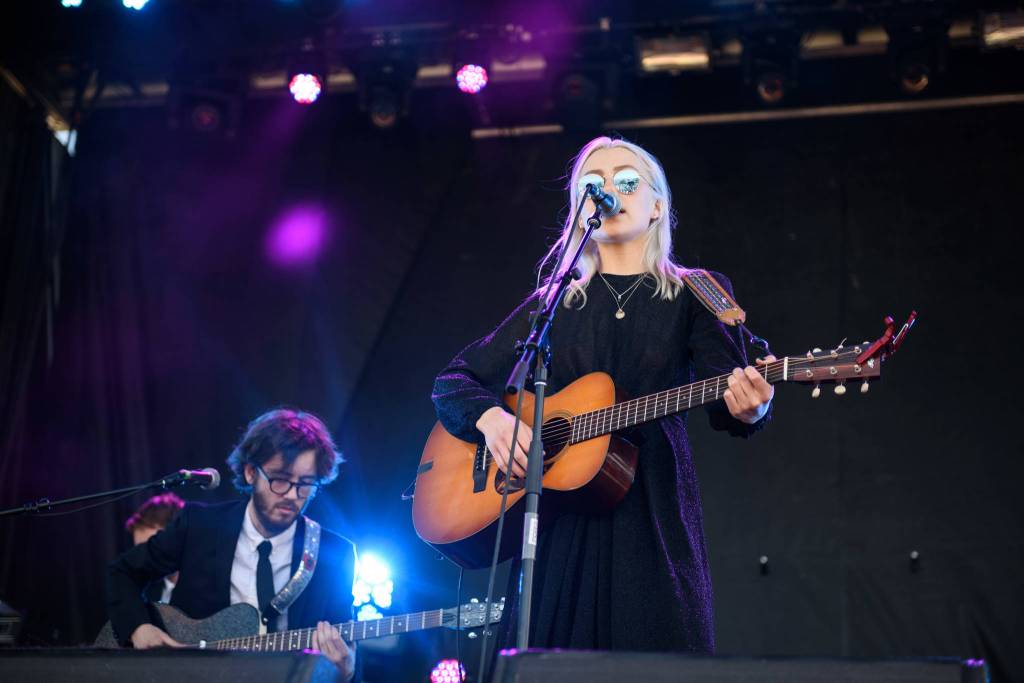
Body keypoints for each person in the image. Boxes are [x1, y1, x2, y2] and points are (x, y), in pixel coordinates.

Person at [432, 136, 775, 654]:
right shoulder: (554, 301)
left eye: (628, 180)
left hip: (650, 511)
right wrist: (493, 421)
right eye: (594, 184)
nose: (610, 190)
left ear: (658, 205)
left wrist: (755, 404)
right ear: (579, 210)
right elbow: (453, 380)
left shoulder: (699, 290)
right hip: (560, 524)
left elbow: (734, 387)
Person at [107, 408, 358, 681]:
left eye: (306, 484)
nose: (292, 496)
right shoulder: (199, 525)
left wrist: (343, 672)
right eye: (280, 480)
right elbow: (120, 573)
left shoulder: (335, 555)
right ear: (251, 472)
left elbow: (343, 646)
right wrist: (140, 628)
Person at [124, 491, 185, 604]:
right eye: (141, 551)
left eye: (153, 548)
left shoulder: (216, 587)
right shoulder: (144, 591)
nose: (146, 558)